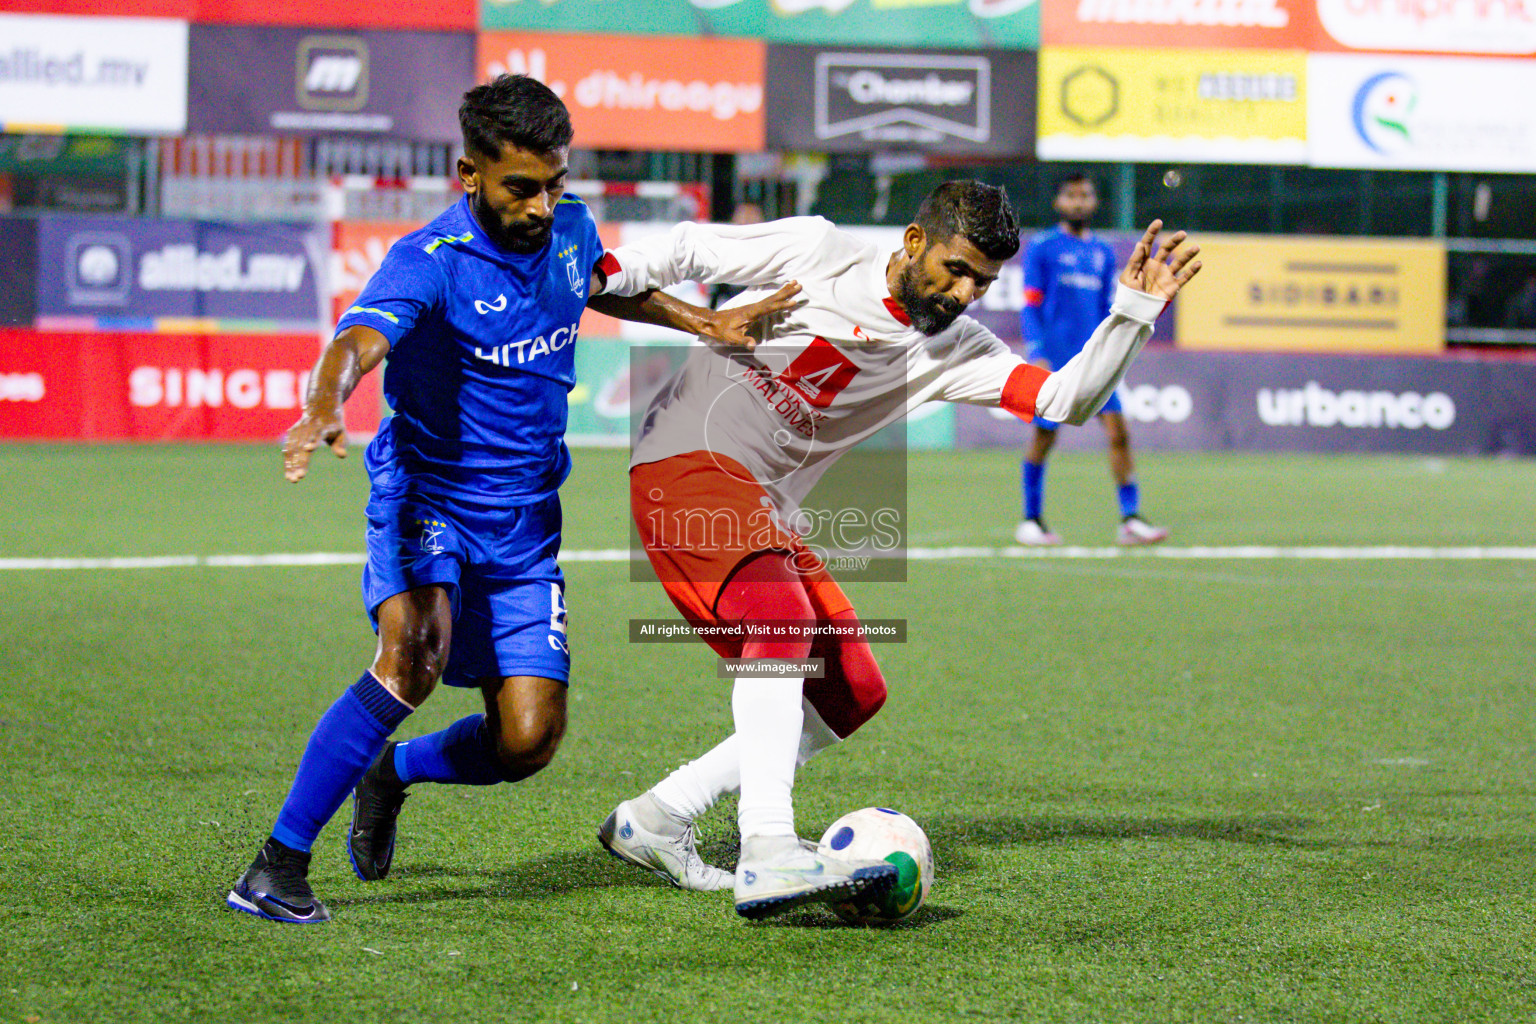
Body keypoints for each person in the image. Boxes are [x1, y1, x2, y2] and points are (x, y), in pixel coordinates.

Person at [225, 74, 791, 925]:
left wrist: (701, 323)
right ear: (469, 174)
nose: (541, 204)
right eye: (521, 186)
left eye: (555, 182)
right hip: (430, 497)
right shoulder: (431, 262)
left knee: (528, 739)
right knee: (412, 655)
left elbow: (598, 280)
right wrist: (321, 404)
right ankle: (275, 866)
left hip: (525, 522)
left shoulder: (568, 227)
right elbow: (358, 339)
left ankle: (392, 772)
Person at [591, 182, 1201, 919]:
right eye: (956, 268)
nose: (965, 292)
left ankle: (659, 816)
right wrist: (621, 276)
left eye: (983, 281)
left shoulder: (955, 347)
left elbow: (1065, 400)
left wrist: (1132, 312)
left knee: (851, 689)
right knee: (781, 622)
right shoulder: (821, 250)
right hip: (685, 455)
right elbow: (692, 248)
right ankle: (768, 849)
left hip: (762, 502)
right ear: (914, 242)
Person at [1016, 173, 1170, 547]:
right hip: (1055, 359)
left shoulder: (1102, 252)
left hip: (1096, 358)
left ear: (1095, 201)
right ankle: (1031, 520)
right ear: (1058, 203)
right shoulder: (1042, 247)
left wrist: (1119, 349)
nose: (1079, 201)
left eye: (1085, 195)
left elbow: (1107, 309)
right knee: (1044, 435)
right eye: (1071, 195)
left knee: (1119, 433)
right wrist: (1037, 351)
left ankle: (1130, 519)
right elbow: (1030, 305)